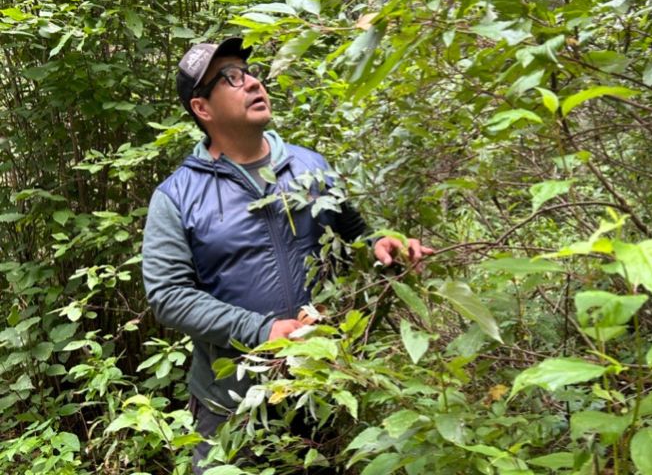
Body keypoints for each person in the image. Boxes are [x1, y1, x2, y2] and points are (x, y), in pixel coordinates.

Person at [141, 37, 433, 473]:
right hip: (233, 403)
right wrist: (262, 330)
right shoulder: (177, 196)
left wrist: (382, 245)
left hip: (321, 388)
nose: (253, 82)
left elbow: (353, 234)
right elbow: (168, 296)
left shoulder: (310, 166)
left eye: (249, 71)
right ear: (202, 109)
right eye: (232, 78)